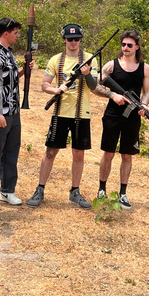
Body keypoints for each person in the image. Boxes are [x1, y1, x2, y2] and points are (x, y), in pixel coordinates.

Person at [27, 23, 112, 209]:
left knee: (79, 154)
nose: (73, 42)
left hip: (82, 114)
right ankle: (40, 189)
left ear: (81, 40)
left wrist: (87, 74)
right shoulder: (56, 60)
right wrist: (56, 90)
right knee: (50, 152)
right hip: (60, 112)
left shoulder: (90, 59)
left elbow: (94, 86)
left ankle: (75, 192)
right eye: (69, 39)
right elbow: (44, 85)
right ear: (64, 40)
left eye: (76, 39)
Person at [0, 18, 33, 208]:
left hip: (13, 111)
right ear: (6, 33)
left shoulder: (8, 54)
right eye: (16, 32)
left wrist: (22, 72)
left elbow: (6, 79)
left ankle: (7, 190)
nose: (18, 36)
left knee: (11, 152)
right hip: (0, 112)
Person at [96, 29, 149, 210]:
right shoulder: (111, 66)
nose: (125, 48)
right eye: (123, 44)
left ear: (137, 47)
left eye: (129, 45)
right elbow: (95, 85)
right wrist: (113, 95)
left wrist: (143, 105)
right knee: (109, 153)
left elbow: (147, 92)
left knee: (127, 155)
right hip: (113, 114)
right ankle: (102, 190)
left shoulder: (144, 68)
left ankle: (123, 193)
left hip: (132, 117)